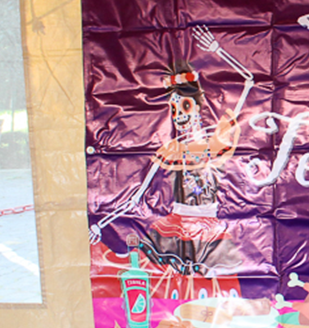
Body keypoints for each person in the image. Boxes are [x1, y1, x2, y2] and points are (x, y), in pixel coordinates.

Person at [89, 25, 254, 277]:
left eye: (185, 106)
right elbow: (135, 198)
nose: (179, 116)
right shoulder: (171, 150)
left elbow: (249, 81)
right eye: (174, 109)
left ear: (198, 105)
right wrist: (100, 224)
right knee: (174, 285)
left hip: (209, 230)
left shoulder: (217, 140)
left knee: (213, 286)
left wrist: (217, 50)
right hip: (174, 229)